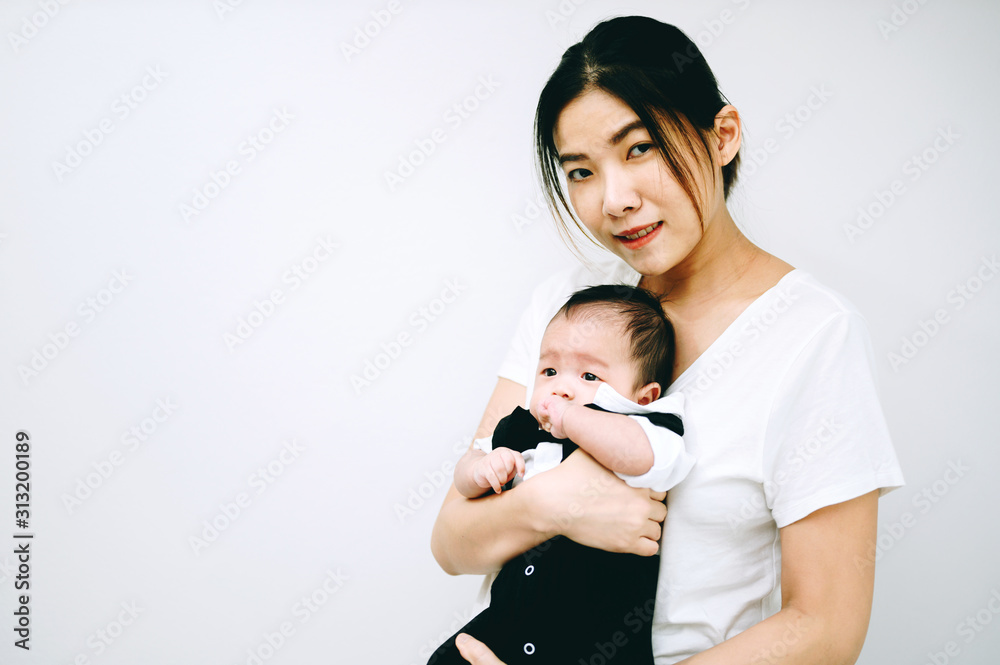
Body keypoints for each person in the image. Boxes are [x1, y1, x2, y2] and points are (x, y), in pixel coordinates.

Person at [431, 15, 905, 665]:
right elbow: (453, 539)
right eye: (580, 171)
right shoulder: (565, 309)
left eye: (640, 147)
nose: (614, 199)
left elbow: (825, 627)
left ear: (723, 135)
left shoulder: (814, 335)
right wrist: (556, 505)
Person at [430, 284, 694, 665]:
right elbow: (465, 475)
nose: (562, 389)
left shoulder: (645, 426)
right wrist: (481, 470)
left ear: (644, 397)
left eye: (589, 376)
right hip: (509, 624)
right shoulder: (522, 433)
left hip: (594, 640)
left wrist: (572, 419)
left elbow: (642, 457)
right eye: (550, 371)